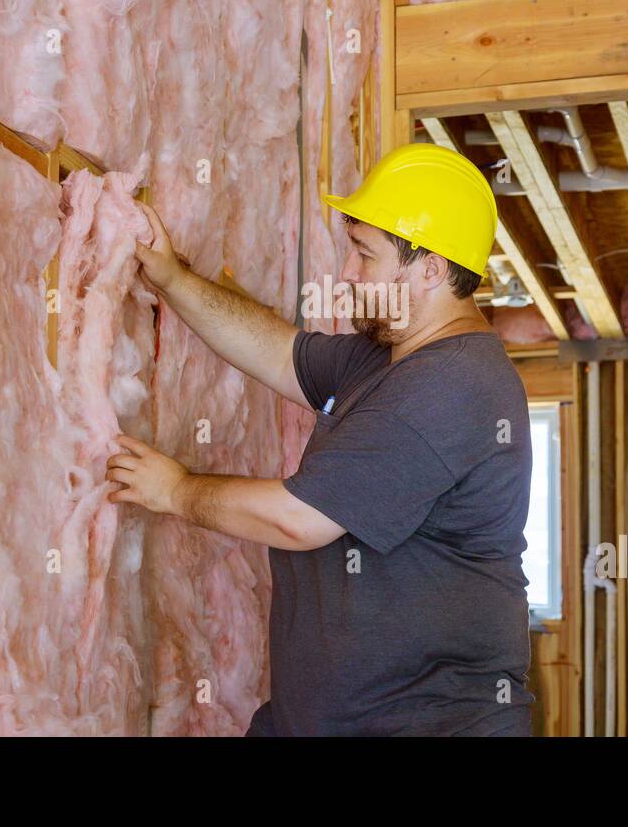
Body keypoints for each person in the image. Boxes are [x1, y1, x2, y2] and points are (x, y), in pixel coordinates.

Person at [106, 143, 536, 736]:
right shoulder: (390, 359)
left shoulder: (453, 383)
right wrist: (174, 280)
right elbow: (279, 352)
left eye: (365, 255)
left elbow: (300, 520)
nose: (349, 275)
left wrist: (176, 490)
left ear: (431, 268)